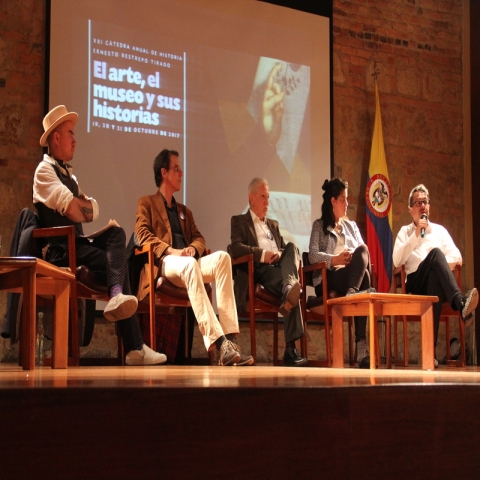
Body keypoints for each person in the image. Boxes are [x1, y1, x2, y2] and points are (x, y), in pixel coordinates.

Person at [33, 105, 166, 366]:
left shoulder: (69, 174)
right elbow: (74, 210)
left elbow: (92, 210)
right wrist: (80, 207)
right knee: (121, 265)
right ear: (56, 137)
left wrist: (82, 207)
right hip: (62, 250)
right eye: (70, 133)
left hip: (77, 245)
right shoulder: (44, 171)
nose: (75, 139)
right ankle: (135, 347)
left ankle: (118, 299)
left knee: (116, 234)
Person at [135, 149, 253, 366]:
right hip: (166, 263)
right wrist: (173, 251)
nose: (181, 173)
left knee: (223, 259)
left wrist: (192, 248)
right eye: (176, 169)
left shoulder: (184, 211)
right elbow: (142, 235)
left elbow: (199, 238)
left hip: (188, 262)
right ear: (164, 172)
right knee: (189, 264)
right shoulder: (147, 203)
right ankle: (219, 343)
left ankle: (229, 340)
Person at [393, 184, 478, 365]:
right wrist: (416, 234)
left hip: (436, 284)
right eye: (418, 203)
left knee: (435, 271)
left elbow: (457, 257)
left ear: (429, 206)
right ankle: (460, 302)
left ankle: (429, 352)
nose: (422, 206)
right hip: (415, 282)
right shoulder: (405, 232)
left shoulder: (440, 231)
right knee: (436, 254)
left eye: (425, 202)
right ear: (411, 210)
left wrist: (439, 267)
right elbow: (396, 260)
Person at [230, 177, 307, 367]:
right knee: (292, 283)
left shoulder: (273, 224)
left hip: (279, 268)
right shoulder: (240, 221)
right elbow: (236, 248)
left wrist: (280, 254)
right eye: (263, 196)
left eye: (268, 197)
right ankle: (290, 351)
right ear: (251, 197)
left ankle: (289, 286)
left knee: (291, 248)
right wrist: (264, 255)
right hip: (259, 270)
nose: (267, 202)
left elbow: (284, 249)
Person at [308, 178, 374, 368]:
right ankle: (361, 347)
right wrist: (335, 259)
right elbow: (312, 255)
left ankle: (353, 292)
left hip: (350, 276)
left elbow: (364, 252)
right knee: (366, 282)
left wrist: (351, 256)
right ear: (333, 201)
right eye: (343, 199)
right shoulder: (319, 226)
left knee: (362, 250)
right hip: (330, 277)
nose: (347, 203)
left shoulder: (351, 226)